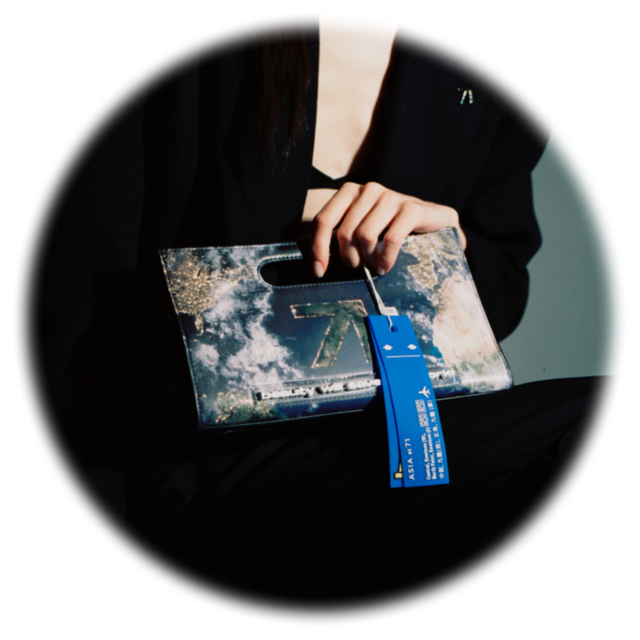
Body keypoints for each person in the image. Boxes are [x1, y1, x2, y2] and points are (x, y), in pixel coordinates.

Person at [20, 12, 618, 619]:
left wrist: (443, 252)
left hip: (397, 442)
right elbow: (65, 286)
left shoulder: (491, 80)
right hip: (167, 463)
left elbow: (502, 277)